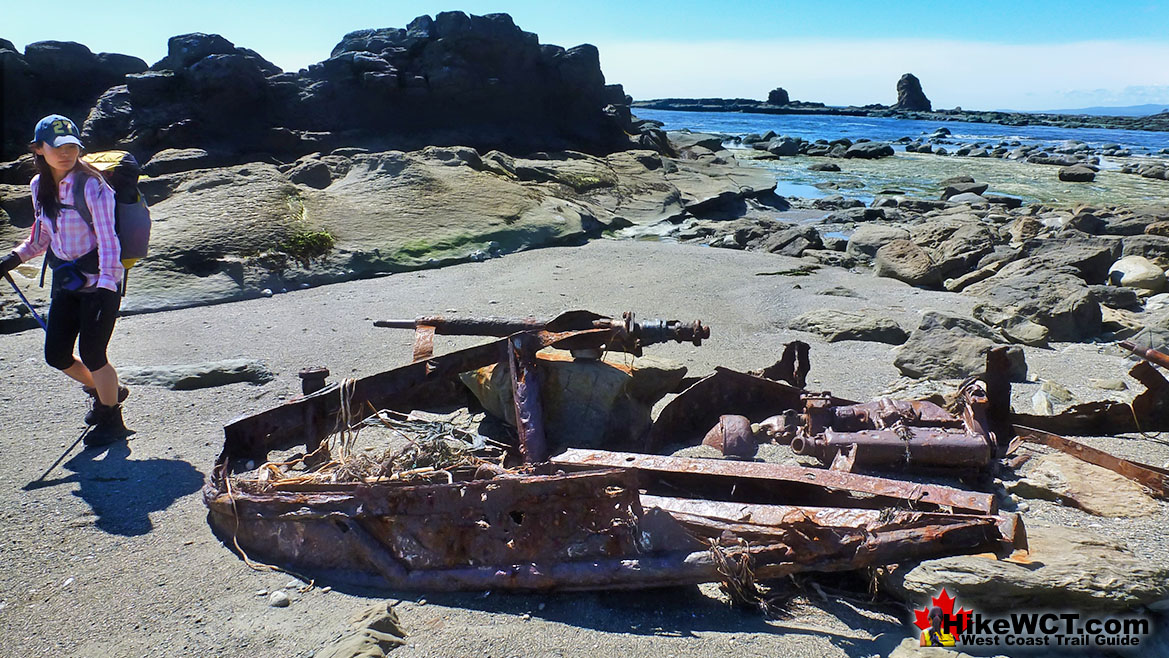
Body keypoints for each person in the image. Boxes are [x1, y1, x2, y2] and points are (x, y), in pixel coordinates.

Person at [0, 115, 129, 447]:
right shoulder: (38, 186)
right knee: (56, 355)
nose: (66, 153)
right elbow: (41, 239)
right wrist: (12, 258)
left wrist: (106, 284)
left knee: (93, 352)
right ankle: (106, 392)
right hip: (67, 282)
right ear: (39, 149)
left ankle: (111, 418)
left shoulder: (94, 185)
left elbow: (110, 239)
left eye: (72, 146)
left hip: (100, 281)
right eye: (57, 147)